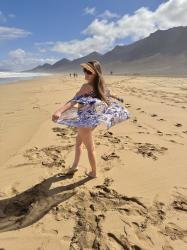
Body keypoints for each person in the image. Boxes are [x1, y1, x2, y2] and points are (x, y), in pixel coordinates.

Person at [51, 60, 130, 178]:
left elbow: (73, 101)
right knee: (78, 142)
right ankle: (75, 166)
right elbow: (108, 93)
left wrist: (59, 111)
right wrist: (117, 97)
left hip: (85, 121)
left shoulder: (86, 87)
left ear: (96, 73)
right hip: (93, 120)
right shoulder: (100, 85)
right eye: (85, 71)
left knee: (90, 148)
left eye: (89, 72)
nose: (86, 74)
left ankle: (93, 172)